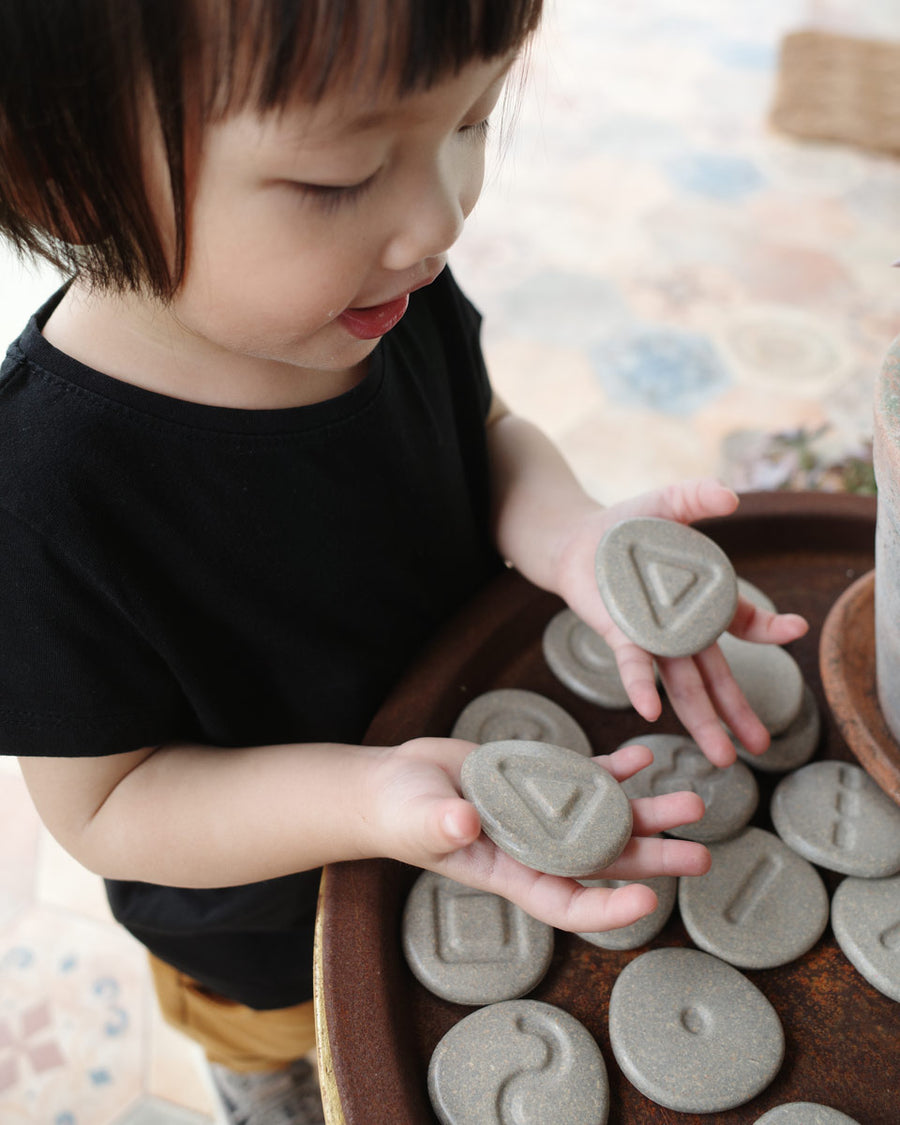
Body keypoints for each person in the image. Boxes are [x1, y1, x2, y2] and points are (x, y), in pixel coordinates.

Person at [0, 1, 807, 1121]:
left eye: (475, 119)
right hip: (272, 944)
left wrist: (568, 531)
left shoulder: (377, 299)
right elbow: (108, 804)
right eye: (338, 177)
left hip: (487, 804)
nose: (437, 221)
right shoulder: (44, 491)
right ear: (73, 179)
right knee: (306, 1073)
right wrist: (370, 797)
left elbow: (486, 433)